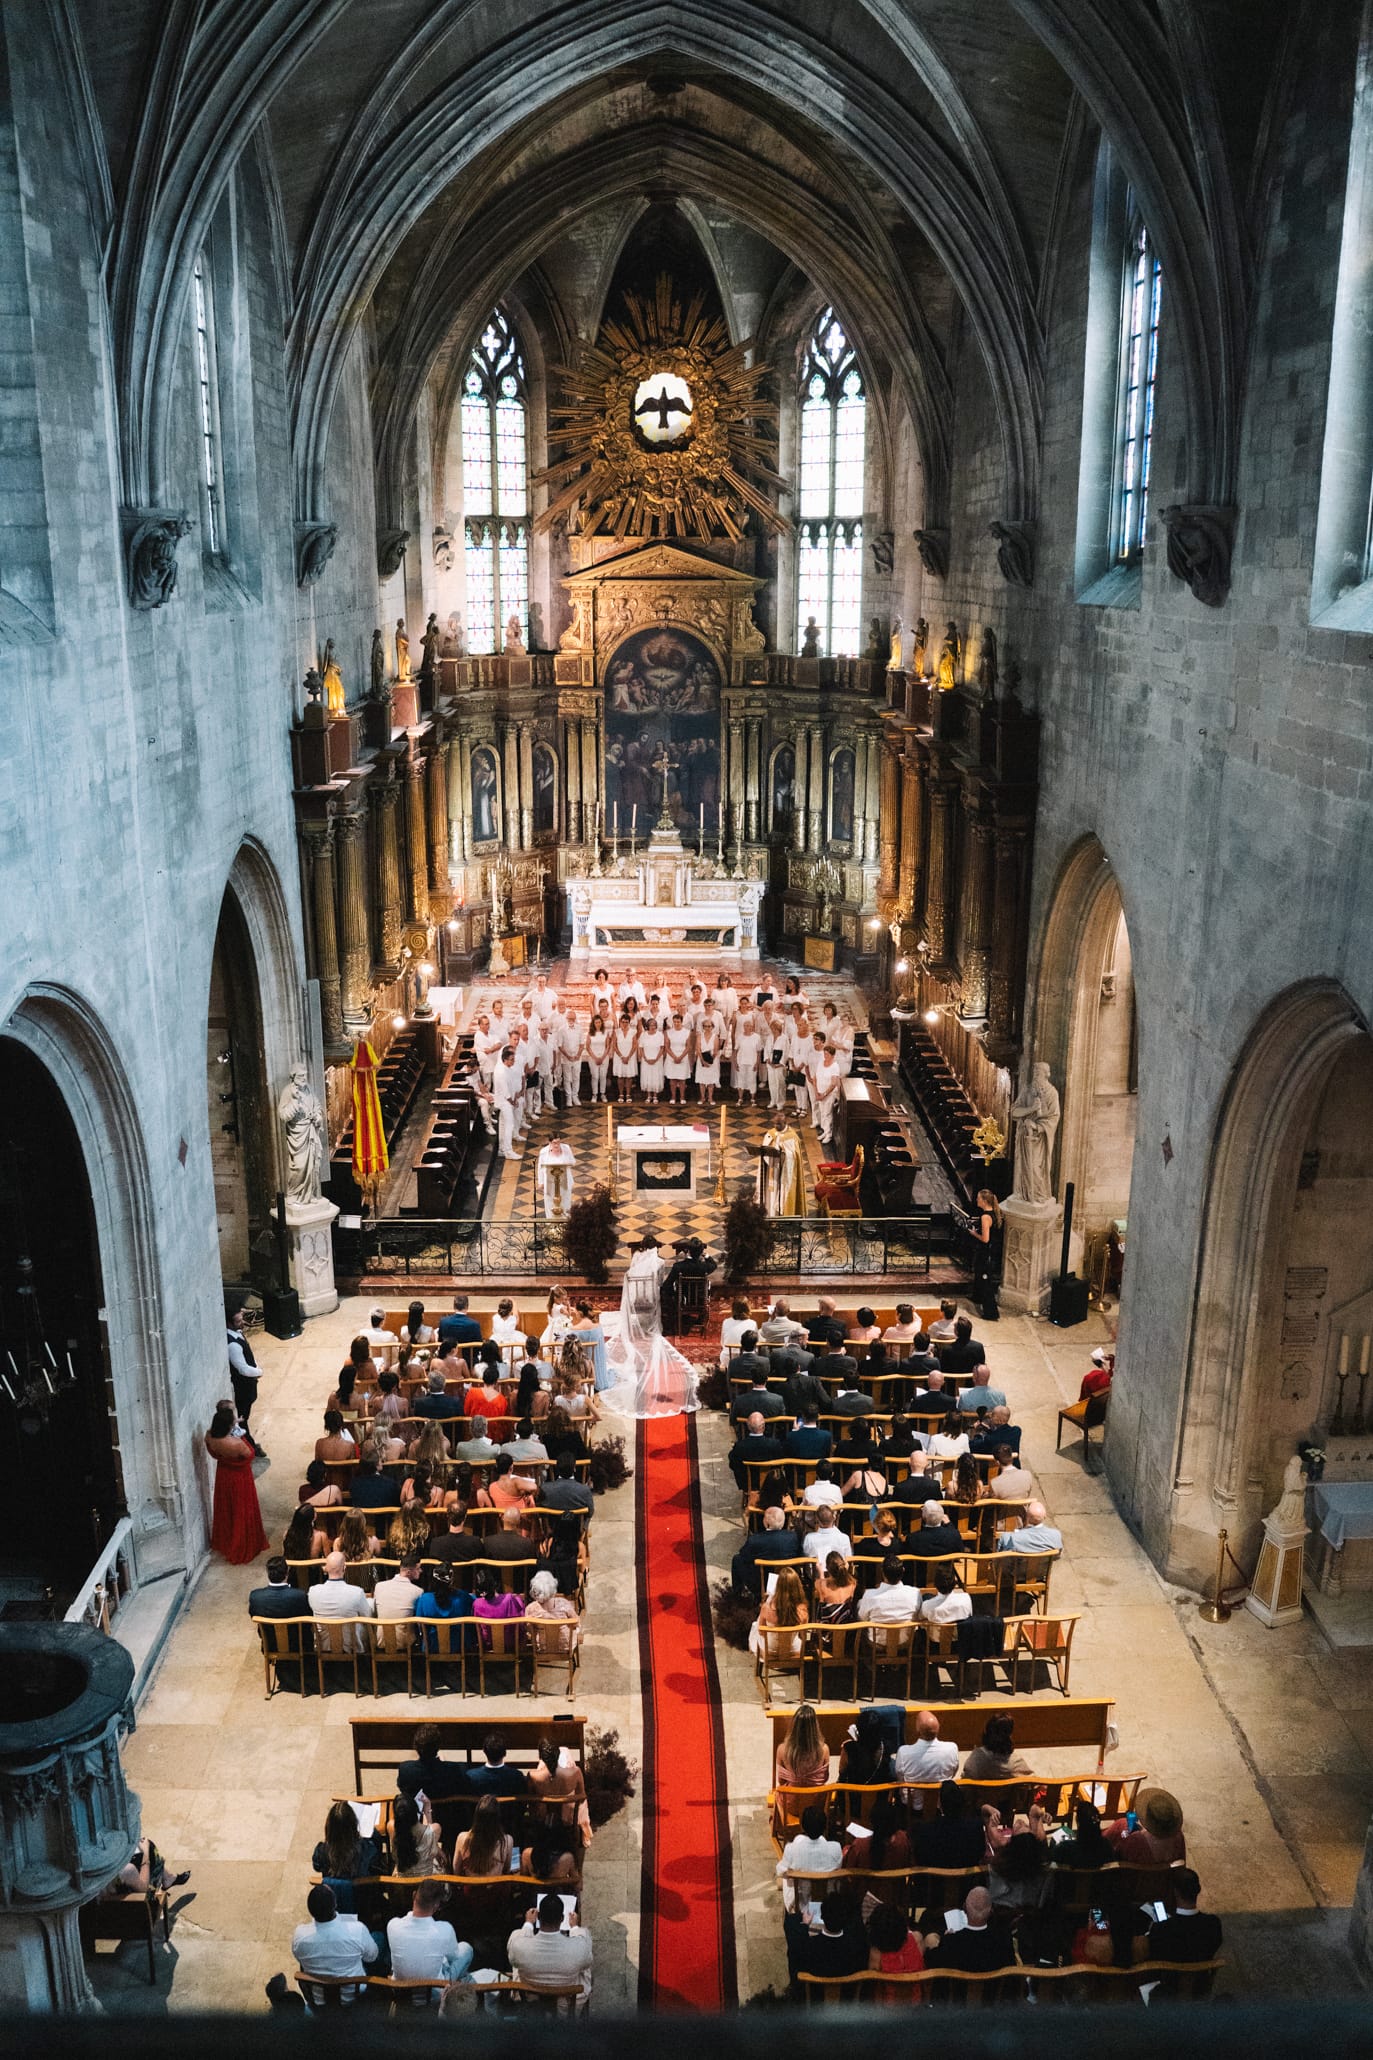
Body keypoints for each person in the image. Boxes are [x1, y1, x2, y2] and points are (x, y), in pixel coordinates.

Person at [604, 1235, 699, 1417]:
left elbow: (632, 1277)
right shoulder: (659, 1263)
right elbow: (660, 1283)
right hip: (651, 1299)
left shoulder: (636, 1260)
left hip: (636, 1297)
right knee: (662, 1294)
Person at [292, 1883, 377, 2003]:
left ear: (310, 1911)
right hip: (354, 1997)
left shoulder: (299, 1936)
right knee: (378, 1938)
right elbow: (372, 1957)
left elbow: (299, 1958)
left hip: (318, 1999)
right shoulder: (357, 1930)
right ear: (335, 1905)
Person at [205, 1404, 269, 1562]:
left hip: (223, 1474)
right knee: (242, 1509)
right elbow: (250, 1454)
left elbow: (213, 1452)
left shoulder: (209, 1436)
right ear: (228, 1425)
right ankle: (242, 1544)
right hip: (239, 1477)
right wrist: (241, 1437)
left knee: (227, 1508)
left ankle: (226, 1542)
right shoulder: (236, 1444)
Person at [507, 1893, 593, 2008]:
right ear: (562, 1919)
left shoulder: (519, 1945)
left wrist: (528, 1924)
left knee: (517, 1959)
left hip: (532, 2005)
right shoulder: (579, 1946)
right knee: (585, 1962)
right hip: (565, 2009)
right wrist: (575, 1928)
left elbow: (514, 1948)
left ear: (538, 1916)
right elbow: (587, 1959)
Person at [387, 1877, 472, 1990]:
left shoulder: (393, 1925)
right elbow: (454, 1956)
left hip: (401, 1991)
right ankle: (456, 1990)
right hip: (434, 1993)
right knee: (466, 1948)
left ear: (414, 1895)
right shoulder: (445, 1929)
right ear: (436, 1906)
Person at [776, 1805, 843, 1913]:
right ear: (825, 1827)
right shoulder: (836, 1848)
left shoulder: (792, 1849)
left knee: (785, 1874)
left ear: (802, 1827)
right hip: (827, 1904)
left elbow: (781, 1872)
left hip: (801, 1906)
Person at [1148, 1869, 1222, 1962]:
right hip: (1200, 1976)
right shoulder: (1213, 1925)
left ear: (1175, 1892)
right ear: (1198, 1890)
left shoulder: (1159, 1930)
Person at [932, 1886, 1010, 1972]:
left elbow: (934, 1963)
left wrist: (945, 1940)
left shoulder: (950, 1941)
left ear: (964, 1908)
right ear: (991, 1912)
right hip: (993, 1985)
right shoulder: (1004, 1940)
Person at [308, 1550, 374, 1650]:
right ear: (344, 1568)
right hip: (351, 1647)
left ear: (325, 1569)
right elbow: (367, 1617)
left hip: (324, 1647)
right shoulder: (357, 1592)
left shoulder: (313, 1592)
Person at [732, 1506, 802, 1597]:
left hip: (762, 1584)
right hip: (787, 1579)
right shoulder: (793, 1537)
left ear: (766, 1522)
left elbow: (744, 1556)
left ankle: (738, 1596)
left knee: (737, 1559)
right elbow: (800, 1554)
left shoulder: (755, 1539)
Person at [1107, 1787, 1186, 1865]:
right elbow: (1181, 1862)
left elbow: (1116, 1857)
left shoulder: (1134, 1841)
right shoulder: (1179, 1836)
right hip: (1164, 1877)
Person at [225, 1302, 264, 1453]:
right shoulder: (232, 1345)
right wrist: (259, 1372)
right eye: (238, 1321)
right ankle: (249, 1448)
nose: (242, 1322)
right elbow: (242, 1369)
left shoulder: (237, 1332)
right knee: (243, 1419)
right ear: (228, 1323)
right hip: (243, 1387)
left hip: (248, 1384)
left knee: (244, 1417)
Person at [313, 1799, 383, 1883]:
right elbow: (377, 1855)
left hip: (333, 1893)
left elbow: (317, 1867)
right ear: (354, 1825)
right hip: (362, 1893)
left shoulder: (321, 1851)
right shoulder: (366, 1849)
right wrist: (372, 1832)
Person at [453, 1793, 519, 1876]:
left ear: (476, 1816)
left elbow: (456, 1869)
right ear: (497, 1818)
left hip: (470, 1887)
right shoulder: (508, 1840)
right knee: (516, 1860)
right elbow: (508, 1870)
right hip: (496, 1887)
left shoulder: (462, 1837)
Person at [867, 1901, 924, 1995]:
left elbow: (872, 1980)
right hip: (915, 2001)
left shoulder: (876, 1952)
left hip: (886, 2005)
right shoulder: (917, 1938)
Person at [893, 1710, 960, 1785]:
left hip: (912, 1796)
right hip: (942, 1795)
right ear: (938, 1728)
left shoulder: (903, 1752)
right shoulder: (952, 1748)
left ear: (917, 1730)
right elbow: (952, 1774)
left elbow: (900, 1778)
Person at [967, 1188, 1004, 1321]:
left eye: (978, 1198)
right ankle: (976, 1297)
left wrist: (973, 1233)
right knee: (979, 1274)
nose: (977, 1200)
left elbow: (985, 1238)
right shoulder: (993, 1213)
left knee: (985, 1282)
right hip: (992, 1251)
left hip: (986, 1252)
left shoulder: (985, 1217)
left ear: (984, 1201)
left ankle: (991, 1312)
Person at [775, 1703, 830, 1790]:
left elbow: (781, 1781)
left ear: (794, 1726)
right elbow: (825, 1778)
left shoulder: (782, 1749)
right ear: (815, 1726)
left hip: (791, 1801)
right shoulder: (824, 1749)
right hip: (817, 1801)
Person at [857, 1554, 922, 1627]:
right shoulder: (915, 1593)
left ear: (882, 1572)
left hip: (876, 1638)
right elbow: (918, 1616)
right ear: (903, 1570)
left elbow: (861, 1619)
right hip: (907, 1638)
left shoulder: (869, 1595)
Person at [963, 1714, 1030, 1781]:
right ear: (1009, 1737)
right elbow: (1035, 1783)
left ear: (986, 1734)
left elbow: (965, 1782)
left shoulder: (976, 1759)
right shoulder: (1016, 1762)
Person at [540, 1449, 595, 1518]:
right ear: (574, 1468)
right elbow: (590, 1513)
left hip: (553, 1527)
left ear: (557, 1468)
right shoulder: (584, 1490)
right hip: (576, 1527)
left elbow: (540, 1513)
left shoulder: (545, 1489)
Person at [995, 1501, 1063, 1553]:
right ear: (1045, 1516)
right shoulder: (1056, 1535)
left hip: (1018, 1569)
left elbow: (1000, 1555)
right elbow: (1057, 1555)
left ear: (1027, 1518)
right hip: (1041, 1570)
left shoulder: (1013, 1538)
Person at [537, 1134, 576, 1220]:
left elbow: (573, 1162)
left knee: (565, 1203)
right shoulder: (543, 1152)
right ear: (550, 1142)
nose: (557, 1145)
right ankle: (551, 1224)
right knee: (550, 1204)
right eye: (554, 1143)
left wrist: (566, 1162)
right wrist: (541, 1182)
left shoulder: (566, 1148)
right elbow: (540, 1168)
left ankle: (565, 1224)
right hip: (550, 1183)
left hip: (564, 1182)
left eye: (558, 1142)